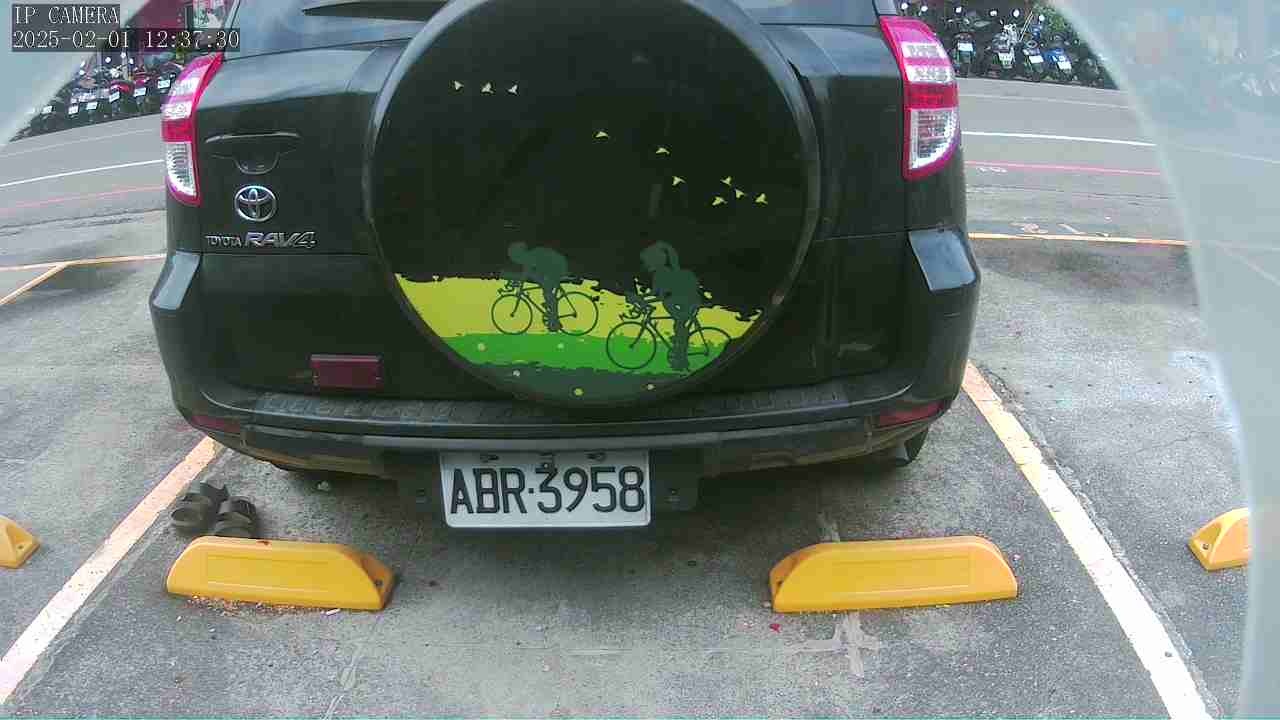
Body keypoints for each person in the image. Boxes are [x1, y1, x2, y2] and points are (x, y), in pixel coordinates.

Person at [637, 241, 703, 371]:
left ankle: (680, 359)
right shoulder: (661, 273)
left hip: (689, 302)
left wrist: (643, 299)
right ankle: (680, 359)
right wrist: (642, 298)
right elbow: (655, 293)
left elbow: (659, 295)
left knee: (678, 326)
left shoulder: (664, 273)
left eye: (646, 262)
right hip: (686, 302)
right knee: (679, 327)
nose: (645, 265)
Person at [507, 242, 569, 332]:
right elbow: (526, 274)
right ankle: (550, 305)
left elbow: (525, 275)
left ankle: (555, 322)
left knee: (547, 291)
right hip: (554, 266)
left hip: (557, 267)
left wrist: (518, 284)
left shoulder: (529, 258)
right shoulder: (530, 256)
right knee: (544, 286)